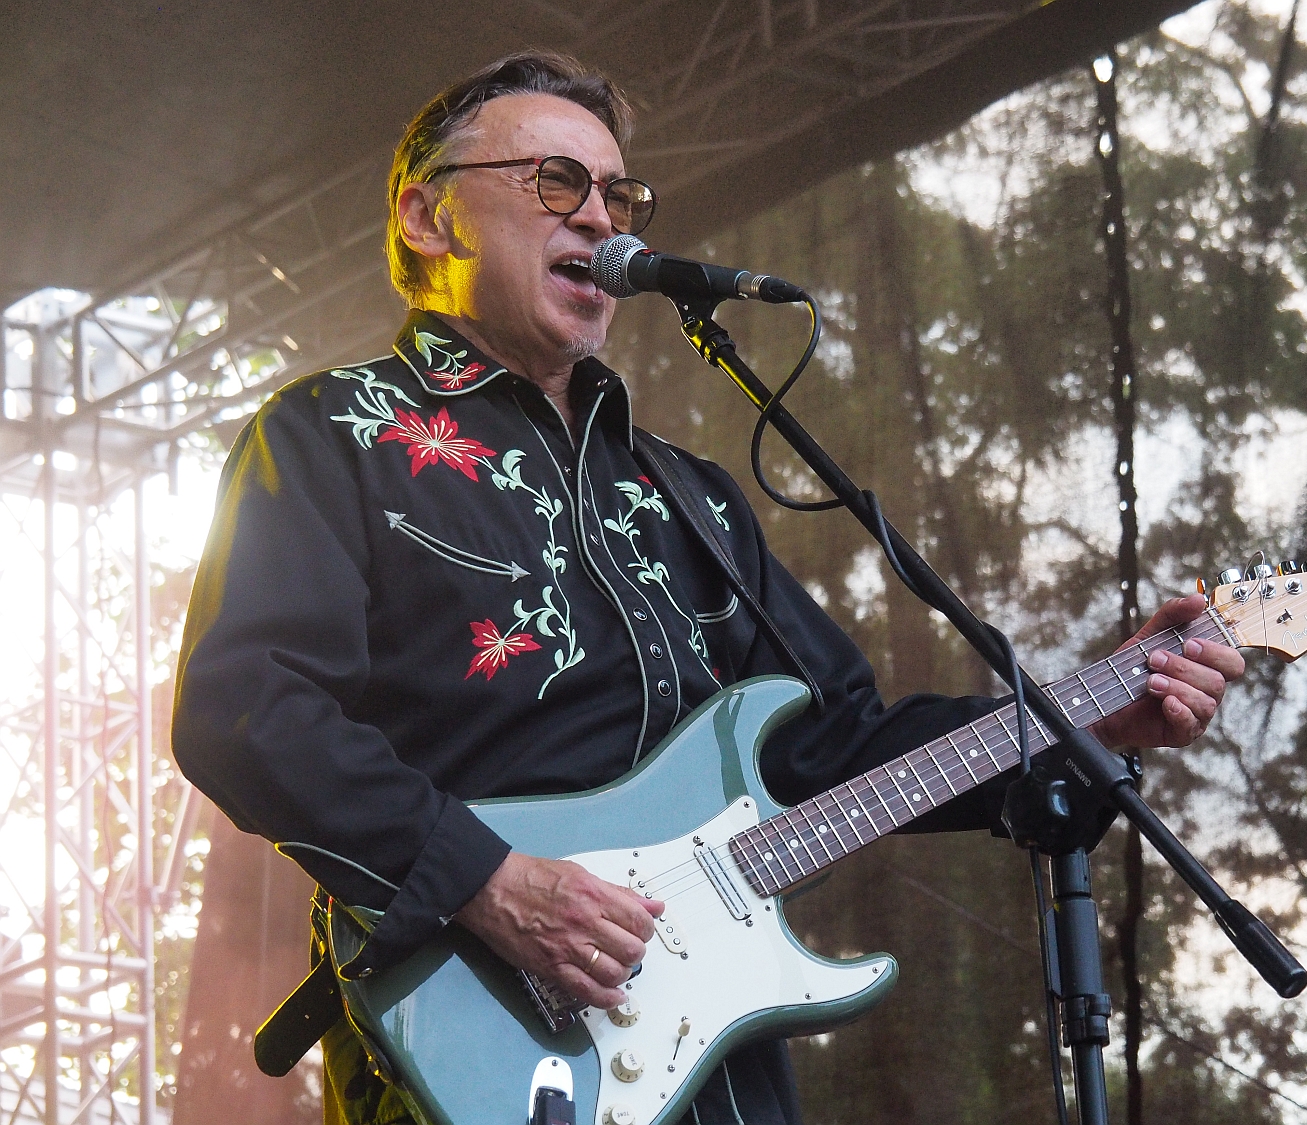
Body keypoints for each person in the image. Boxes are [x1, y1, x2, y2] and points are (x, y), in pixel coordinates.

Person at [171, 50, 1245, 1125]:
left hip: (718, 1069)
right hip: (472, 1047)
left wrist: (1090, 718)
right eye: (556, 181)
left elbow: (836, 744)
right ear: (428, 217)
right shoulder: (330, 434)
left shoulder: (687, 494)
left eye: (618, 194)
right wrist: (489, 882)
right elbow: (245, 709)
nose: (600, 218)